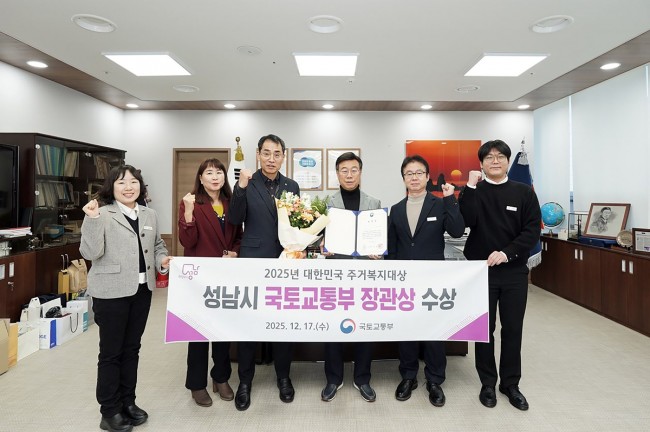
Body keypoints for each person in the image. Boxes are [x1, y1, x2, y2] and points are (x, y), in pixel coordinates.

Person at [80, 165, 170, 432]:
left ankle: (128, 403)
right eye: (121, 183)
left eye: (133, 182)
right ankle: (109, 411)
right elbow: (90, 252)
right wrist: (92, 220)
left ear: (141, 186)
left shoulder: (149, 213)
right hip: (111, 292)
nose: (128, 187)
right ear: (112, 187)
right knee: (111, 353)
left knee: (132, 349)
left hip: (142, 291)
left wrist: (162, 260)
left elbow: (157, 245)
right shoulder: (100, 213)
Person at [458, 140, 541, 411]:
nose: (495, 161)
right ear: (481, 163)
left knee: (513, 329)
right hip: (481, 272)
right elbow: (466, 220)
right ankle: (487, 383)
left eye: (500, 156)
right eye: (489, 157)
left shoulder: (523, 192)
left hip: (514, 272)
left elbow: (531, 230)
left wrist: (507, 253)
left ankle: (510, 384)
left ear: (507, 161)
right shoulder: (474, 191)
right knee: (484, 330)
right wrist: (470, 187)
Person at [227, 134, 300, 411]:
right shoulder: (248, 182)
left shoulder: (291, 185)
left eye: (277, 154)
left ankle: (284, 377)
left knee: (283, 323)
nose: (271, 159)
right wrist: (241, 187)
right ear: (258, 154)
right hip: (253, 262)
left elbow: (297, 223)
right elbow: (235, 219)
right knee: (249, 324)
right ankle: (245, 382)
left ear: (283, 156)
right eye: (266, 153)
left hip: (285, 262)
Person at [387, 155, 465, 407]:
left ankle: (434, 380)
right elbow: (392, 247)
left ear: (427, 176)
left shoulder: (439, 204)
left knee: (433, 331)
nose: (414, 177)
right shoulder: (396, 209)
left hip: (432, 279)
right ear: (403, 178)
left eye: (419, 173)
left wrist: (451, 199)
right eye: (409, 173)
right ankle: (408, 376)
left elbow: (457, 230)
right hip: (404, 280)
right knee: (407, 329)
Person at [178, 158, 243, 407]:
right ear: (201, 178)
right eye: (209, 173)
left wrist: (235, 252)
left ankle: (221, 377)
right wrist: (188, 212)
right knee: (198, 333)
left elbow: (239, 236)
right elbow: (187, 241)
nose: (215, 177)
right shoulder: (191, 202)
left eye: (219, 172)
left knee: (222, 331)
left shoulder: (230, 202)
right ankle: (196, 384)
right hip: (200, 278)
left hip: (226, 275)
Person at [320, 152, 382, 403]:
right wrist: (322, 245)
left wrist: (379, 252)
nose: (349, 175)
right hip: (336, 274)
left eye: (353, 170)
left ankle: (362, 378)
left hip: (365, 275)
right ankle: (333, 379)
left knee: (364, 327)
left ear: (360, 172)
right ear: (337, 174)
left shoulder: (374, 202)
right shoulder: (326, 202)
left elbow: (380, 238)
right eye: (343, 170)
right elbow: (316, 236)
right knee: (333, 328)